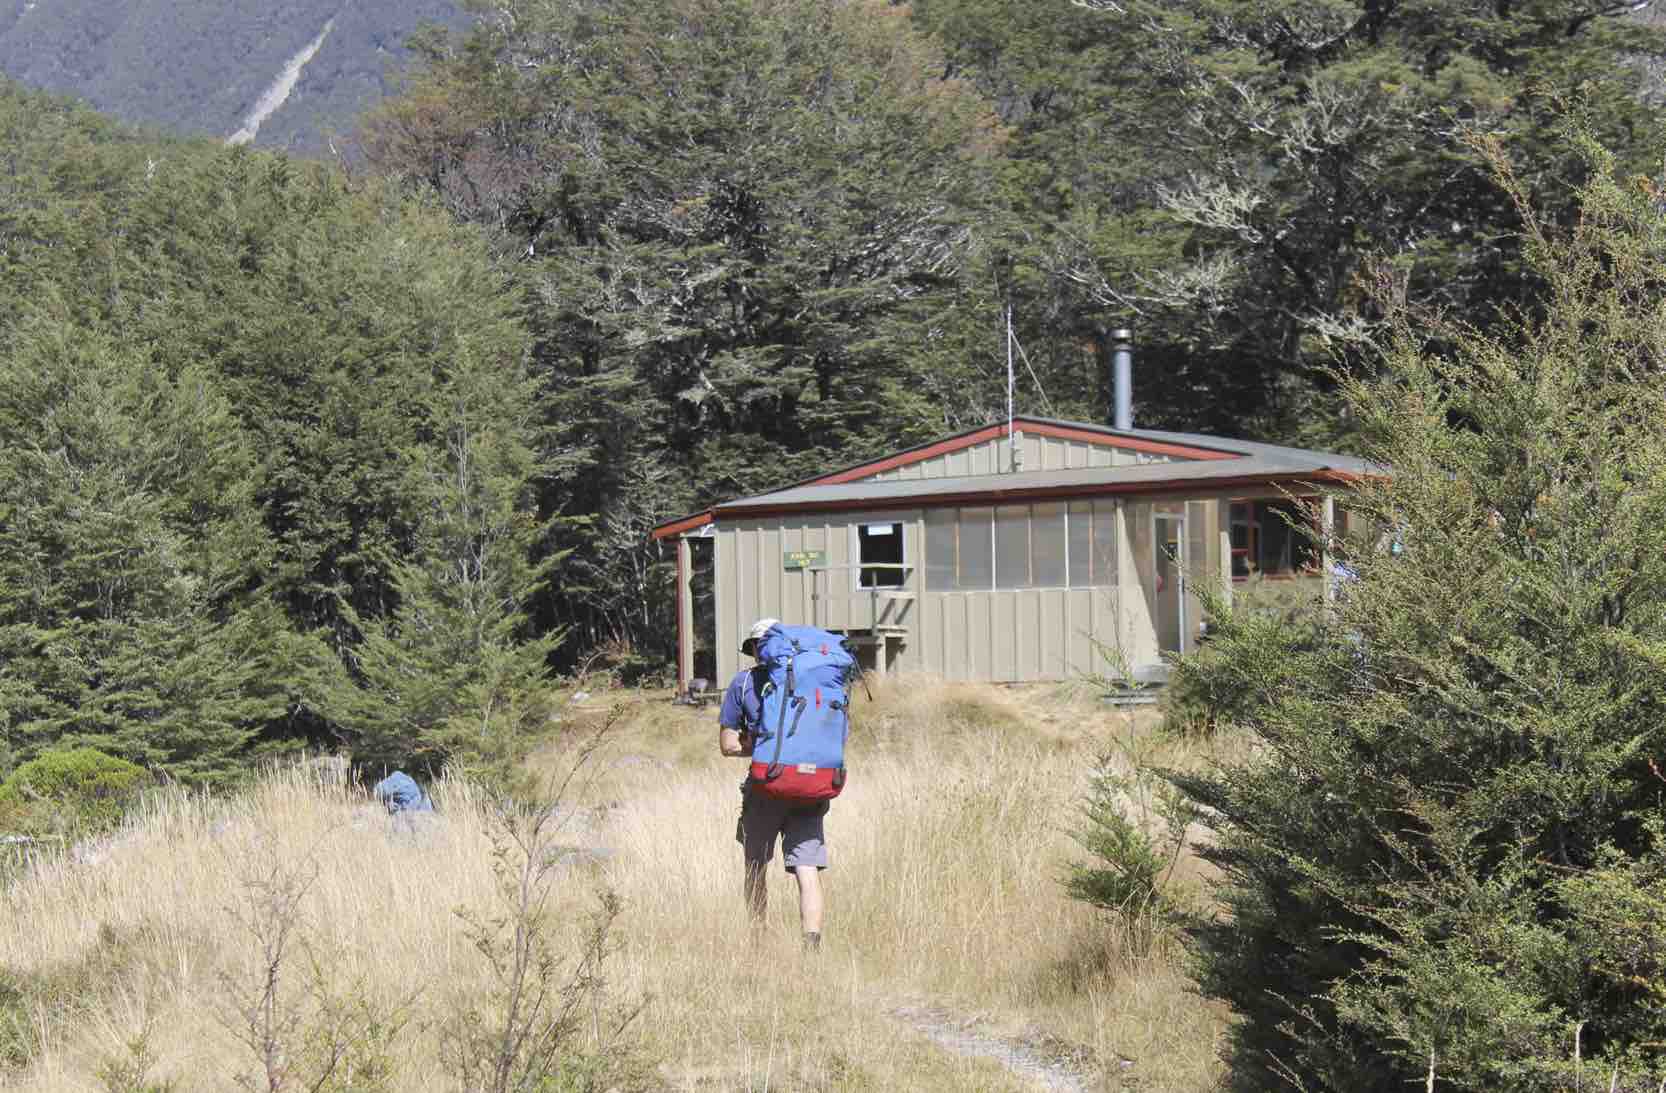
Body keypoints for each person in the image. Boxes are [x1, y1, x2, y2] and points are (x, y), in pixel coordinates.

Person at [719, 617, 829, 951]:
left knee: (755, 865)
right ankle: (811, 945)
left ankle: (758, 939)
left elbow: (728, 745)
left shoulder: (743, 684)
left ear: (754, 648)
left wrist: (761, 748)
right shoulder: (813, 680)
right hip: (810, 785)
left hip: (766, 786)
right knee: (807, 868)